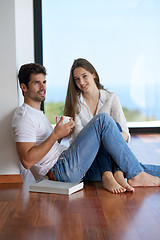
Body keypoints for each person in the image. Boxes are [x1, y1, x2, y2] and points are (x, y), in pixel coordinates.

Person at [12, 63, 160, 195]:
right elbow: (27, 160)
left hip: (69, 163)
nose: (43, 87)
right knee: (103, 120)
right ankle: (134, 175)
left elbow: (45, 150)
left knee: (130, 163)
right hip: (59, 170)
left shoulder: (37, 113)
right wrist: (55, 135)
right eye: (36, 83)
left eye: (44, 82)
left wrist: (58, 136)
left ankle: (127, 174)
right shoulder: (24, 116)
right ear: (24, 87)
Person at [64, 58, 132, 193]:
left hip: (110, 157)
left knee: (115, 126)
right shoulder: (75, 103)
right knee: (103, 129)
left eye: (84, 76)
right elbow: (79, 138)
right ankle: (109, 174)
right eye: (77, 79)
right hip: (87, 160)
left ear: (94, 74)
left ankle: (117, 173)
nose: (81, 82)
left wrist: (108, 136)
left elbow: (125, 134)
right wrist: (105, 136)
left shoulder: (112, 98)